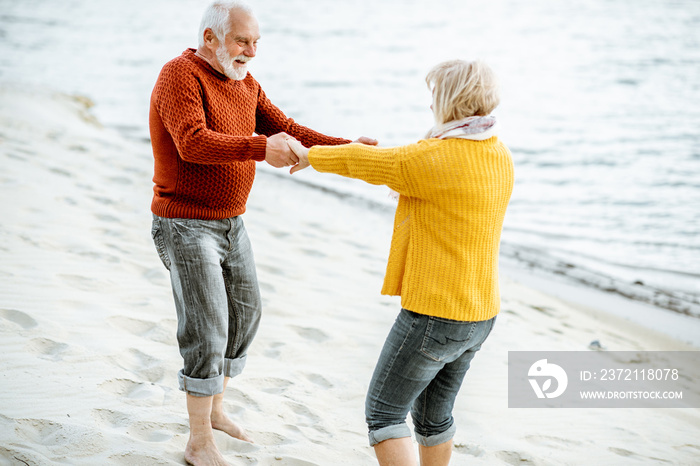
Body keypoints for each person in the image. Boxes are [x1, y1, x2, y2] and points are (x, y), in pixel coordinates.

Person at [148, 2, 376, 465]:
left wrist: (345, 148)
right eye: (242, 41)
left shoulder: (245, 84)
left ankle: (214, 411)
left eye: (256, 43)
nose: (251, 52)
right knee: (207, 329)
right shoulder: (179, 75)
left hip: (233, 222)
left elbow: (286, 129)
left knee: (245, 317)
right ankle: (197, 442)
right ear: (211, 38)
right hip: (185, 222)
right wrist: (258, 148)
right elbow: (192, 142)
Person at [287, 59, 514, 466]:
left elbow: (368, 164)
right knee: (432, 418)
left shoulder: (433, 159)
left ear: (450, 101)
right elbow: (399, 166)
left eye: (434, 97)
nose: (430, 107)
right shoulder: (499, 154)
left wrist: (311, 155)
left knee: (384, 414)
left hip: (435, 315)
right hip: (480, 316)